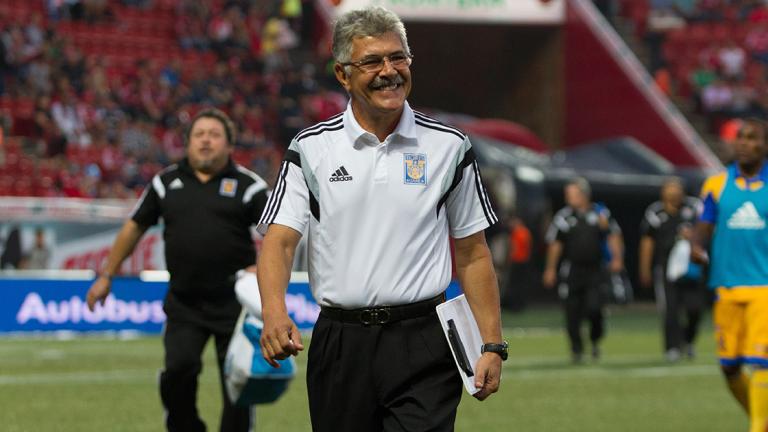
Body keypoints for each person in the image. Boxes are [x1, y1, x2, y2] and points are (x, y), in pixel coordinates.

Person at [256, 6, 505, 432]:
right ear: (342, 74)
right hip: (340, 342)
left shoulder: (450, 147)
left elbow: (473, 252)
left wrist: (493, 344)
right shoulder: (310, 150)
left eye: (398, 58)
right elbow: (279, 241)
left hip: (426, 340)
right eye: (372, 61)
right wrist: (274, 312)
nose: (389, 71)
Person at [86, 108, 269, 432]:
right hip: (185, 303)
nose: (206, 141)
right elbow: (134, 227)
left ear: (229, 145)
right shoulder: (164, 182)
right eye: (199, 134)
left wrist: (264, 267)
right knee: (178, 373)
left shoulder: (249, 186)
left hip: (235, 305)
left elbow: (278, 233)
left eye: (214, 135)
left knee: (239, 382)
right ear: (187, 143)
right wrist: (106, 275)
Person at [691, 118, 768, 431]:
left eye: (752, 138)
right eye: (741, 138)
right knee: (730, 366)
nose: (745, 143)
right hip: (725, 285)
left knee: (761, 361)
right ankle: (760, 418)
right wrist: (696, 245)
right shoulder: (716, 185)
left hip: (764, 286)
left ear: (764, 146)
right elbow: (703, 227)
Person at [543, 177, 624, 363]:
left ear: (583, 194)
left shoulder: (601, 213)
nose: (568, 198)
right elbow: (555, 244)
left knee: (595, 308)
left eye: (571, 194)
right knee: (572, 310)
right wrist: (550, 269)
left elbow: (614, 236)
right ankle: (576, 348)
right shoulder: (564, 217)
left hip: (596, 269)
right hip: (572, 269)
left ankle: (595, 340)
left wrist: (617, 258)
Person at [638, 177, 704, 362]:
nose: (674, 193)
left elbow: (708, 228)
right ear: (663, 192)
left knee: (694, 308)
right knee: (670, 309)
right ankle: (672, 347)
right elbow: (647, 242)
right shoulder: (655, 212)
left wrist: (694, 235)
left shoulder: (694, 207)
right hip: (666, 267)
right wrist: (645, 268)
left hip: (692, 267)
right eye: (670, 189)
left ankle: (688, 340)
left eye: (677, 189)